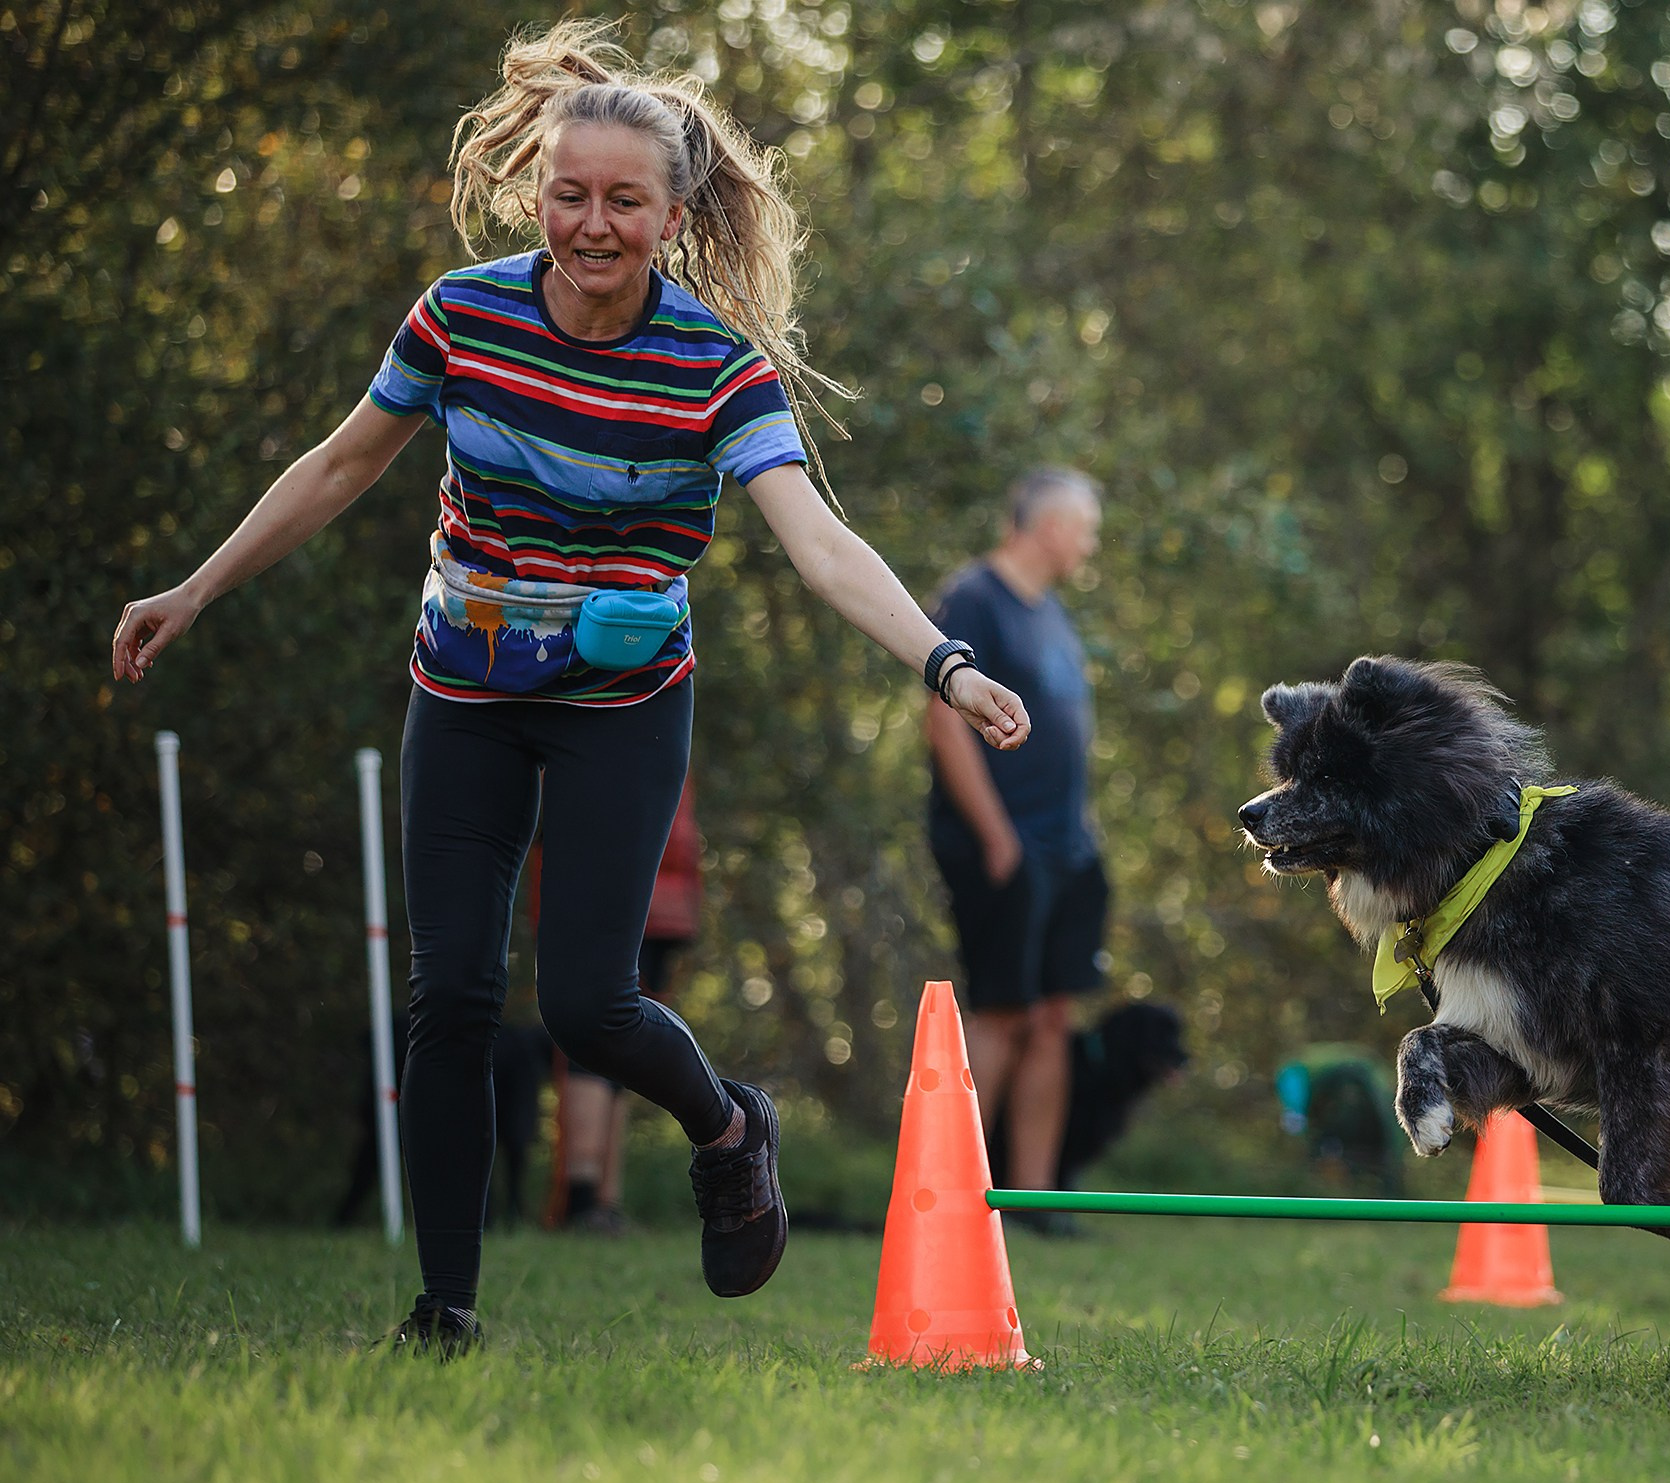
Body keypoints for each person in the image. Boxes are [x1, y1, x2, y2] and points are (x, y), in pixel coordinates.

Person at [109, 23, 1027, 1355]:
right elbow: (338, 464)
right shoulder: (460, 314)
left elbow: (818, 538)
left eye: (622, 200)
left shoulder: (715, 366)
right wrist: (194, 587)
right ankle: (445, 1305)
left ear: (669, 213)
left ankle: (728, 1126)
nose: (591, 223)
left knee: (592, 1001)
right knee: (454, 998)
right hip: (465, 680)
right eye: (568, 192)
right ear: (536, 188)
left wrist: (945, 663)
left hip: (623, 700)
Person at [923, 468, 1108, 1232]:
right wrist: (997, 834)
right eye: (1086, 527)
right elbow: (943, 724)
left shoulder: (1053, 613)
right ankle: (953, 1198)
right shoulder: (975, 598)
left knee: (1053, 1016)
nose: (1090, 543)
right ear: (1050, 525)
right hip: (1004, 848)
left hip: (1068, 849)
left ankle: (1034, 1200)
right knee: (1000, 1013)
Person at [545, 778, 704, 1234]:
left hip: (618, 884)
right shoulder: (664, 708)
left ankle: (584, 1197)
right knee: (620, 1034)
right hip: (670, 888)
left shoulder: (596, 709)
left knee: (590, 1037)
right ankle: (602, 1201)